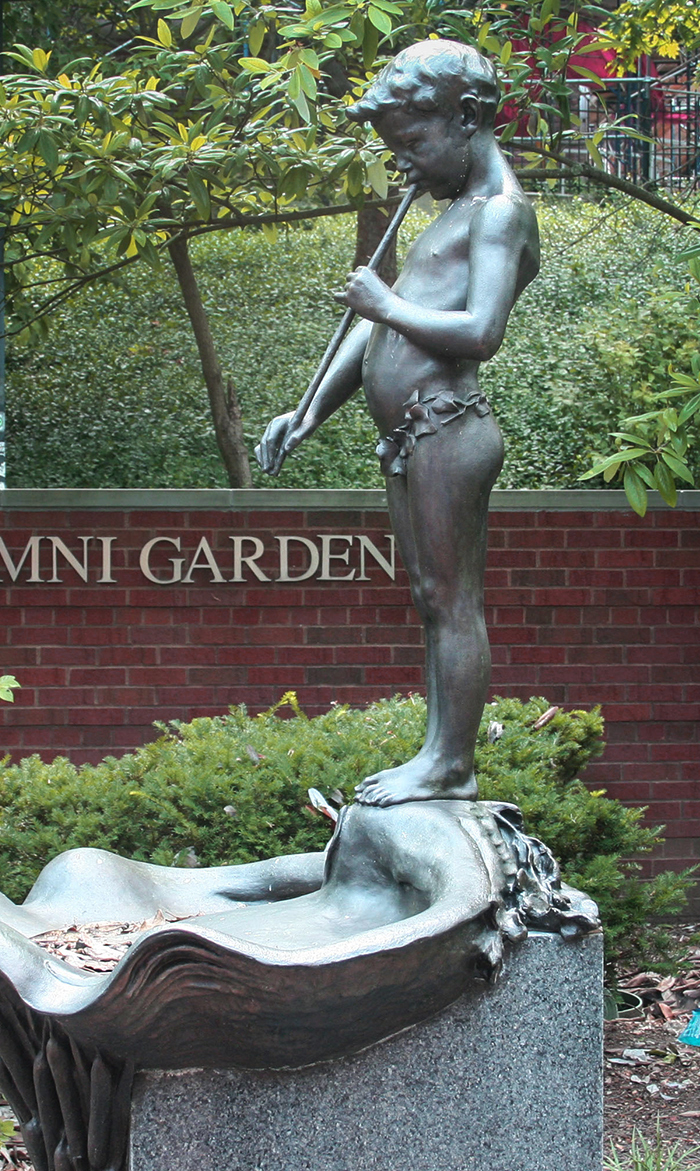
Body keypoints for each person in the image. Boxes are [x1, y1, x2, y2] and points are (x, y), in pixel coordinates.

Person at [256, 39, 539, 806]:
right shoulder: (450, 215)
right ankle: (438, 754)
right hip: (414, 437)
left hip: (449, 428)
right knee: (429, 596)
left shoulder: (499, 214)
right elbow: (382, 334)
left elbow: (480, 331)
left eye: (414, 144)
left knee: (452, 600)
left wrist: (383, 301)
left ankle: (451, 763)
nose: (406, 164)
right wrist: (310, 409)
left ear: (470, 119)